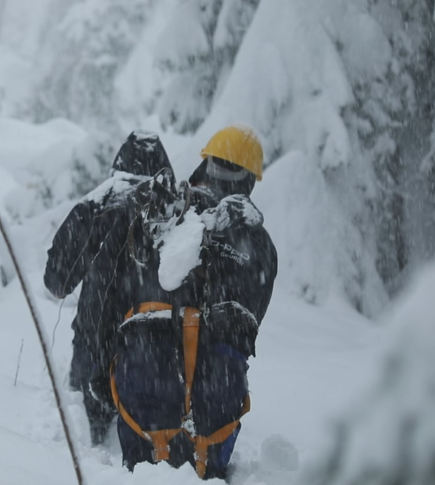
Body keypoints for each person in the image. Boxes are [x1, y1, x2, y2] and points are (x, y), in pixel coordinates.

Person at [88, 125, 277, 479]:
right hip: (215, 399)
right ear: (250, 180)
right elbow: (250, 326)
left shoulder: (161, 212)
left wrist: (100, 371)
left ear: (205, 164)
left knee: (140, 470)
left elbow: (113, 298)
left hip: (142, 380)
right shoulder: (260, 246)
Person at [43, 130, 175, 445]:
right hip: (155, 371)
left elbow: (56, 281)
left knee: (91, 449)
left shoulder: (101, 205)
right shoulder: (176, 214)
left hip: (94, 364)